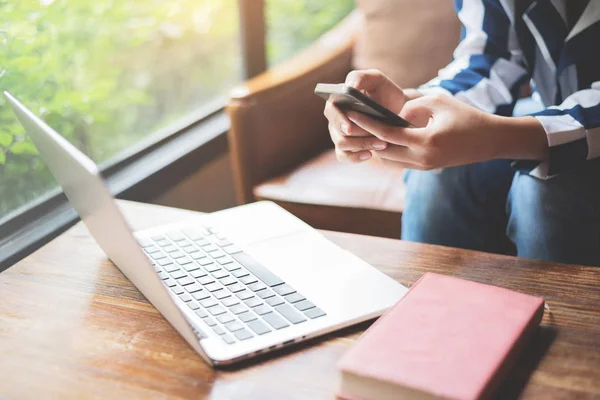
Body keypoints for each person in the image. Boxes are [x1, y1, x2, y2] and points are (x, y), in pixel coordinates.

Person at [323, 0, 600, 266]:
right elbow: (491, 55)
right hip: (554, 111)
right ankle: (430, 309)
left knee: (544, 191)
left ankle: (563, 311)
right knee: (438, 175)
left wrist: (497, 138)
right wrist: (413, 108)